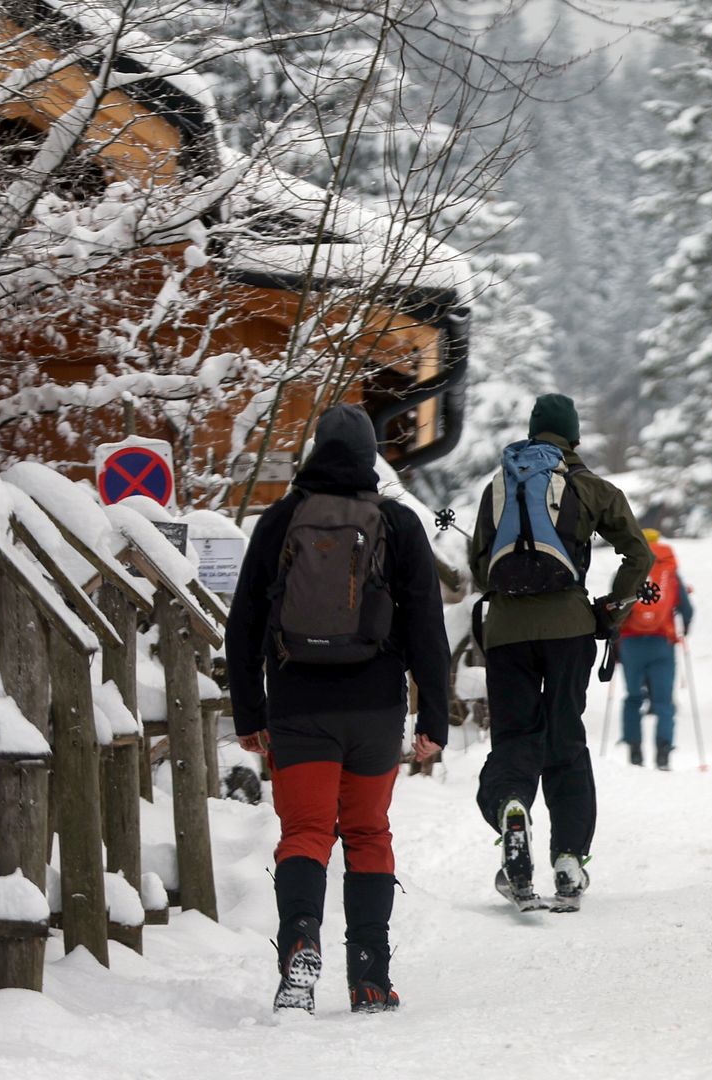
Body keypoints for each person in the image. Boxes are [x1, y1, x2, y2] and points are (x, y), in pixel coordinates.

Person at [226, 404, 450, 1014]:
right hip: (376, 709)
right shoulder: (399, 523)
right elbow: (428, 627)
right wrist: (435, 717)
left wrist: (250, 713)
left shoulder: (280, 521)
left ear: (315, 451)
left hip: (298, 707)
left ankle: (299, 946)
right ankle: (370, 976)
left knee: (304, 832)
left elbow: (243, 623)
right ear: (370, 457)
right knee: (368, 833)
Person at [468, 393, 653, 912]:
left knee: (514, 737)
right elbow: (639, 553)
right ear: (573, 437)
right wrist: (610, 610)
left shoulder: (498, 488)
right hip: (571, 631)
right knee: (565, 738)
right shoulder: (591, 488)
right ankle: (569, 859)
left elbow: (482, 568)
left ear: (531, 433)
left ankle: (510, 807)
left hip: (506, 633)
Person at [619, 528, 695, 770]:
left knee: (633, 698)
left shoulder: (629, 567)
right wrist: (683, 630)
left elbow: (615, 605)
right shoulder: (669, 569)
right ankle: (663, 755)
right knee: (663, 702)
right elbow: (687, 609)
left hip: (631, 643)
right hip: (662, 642)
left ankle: (634, 754)